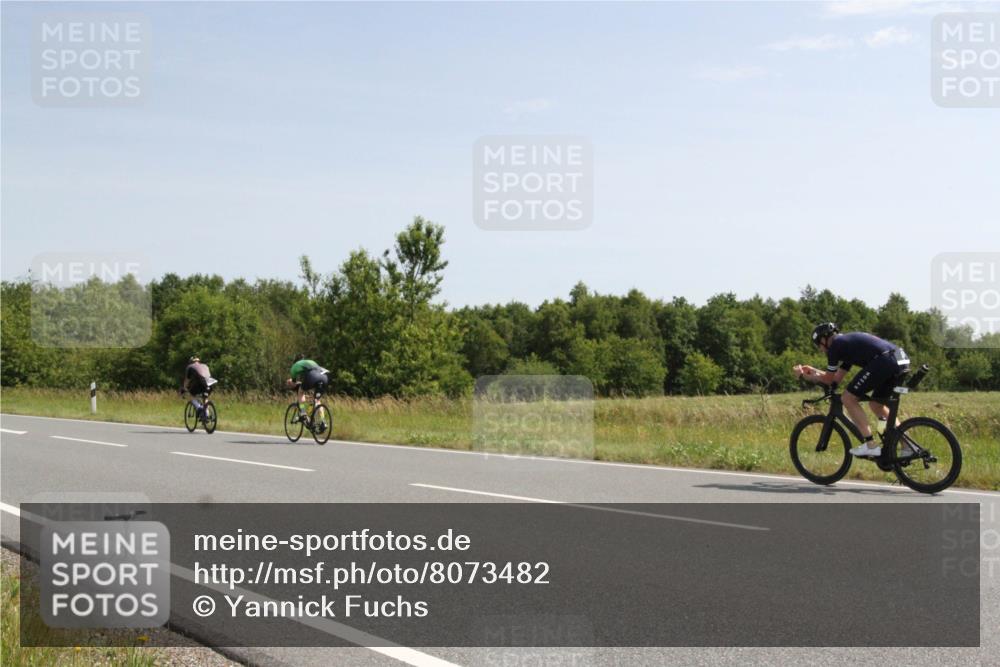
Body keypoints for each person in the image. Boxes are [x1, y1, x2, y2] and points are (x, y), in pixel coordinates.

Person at [793, 323, 911, 457]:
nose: (820, 349)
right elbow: (835, 379)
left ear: (824, 339)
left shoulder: (835, 347)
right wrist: (813, 371)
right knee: (876, 405)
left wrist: (804, 375)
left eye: (818, 345)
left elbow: (828, 380)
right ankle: (908, 446)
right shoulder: (846, 345)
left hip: (886, 360)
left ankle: (870, 445)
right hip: (900, 358)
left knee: (848, 398)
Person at [286, 354, 329, 419]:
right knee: (317, 400)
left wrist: (289, 382)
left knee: (300, 392)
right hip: (324, 376)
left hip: (313, 376)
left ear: (295, 361)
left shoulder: (294, 366)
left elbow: (294, 383)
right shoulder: (310, 361)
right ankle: (323, 421)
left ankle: (303, 412)